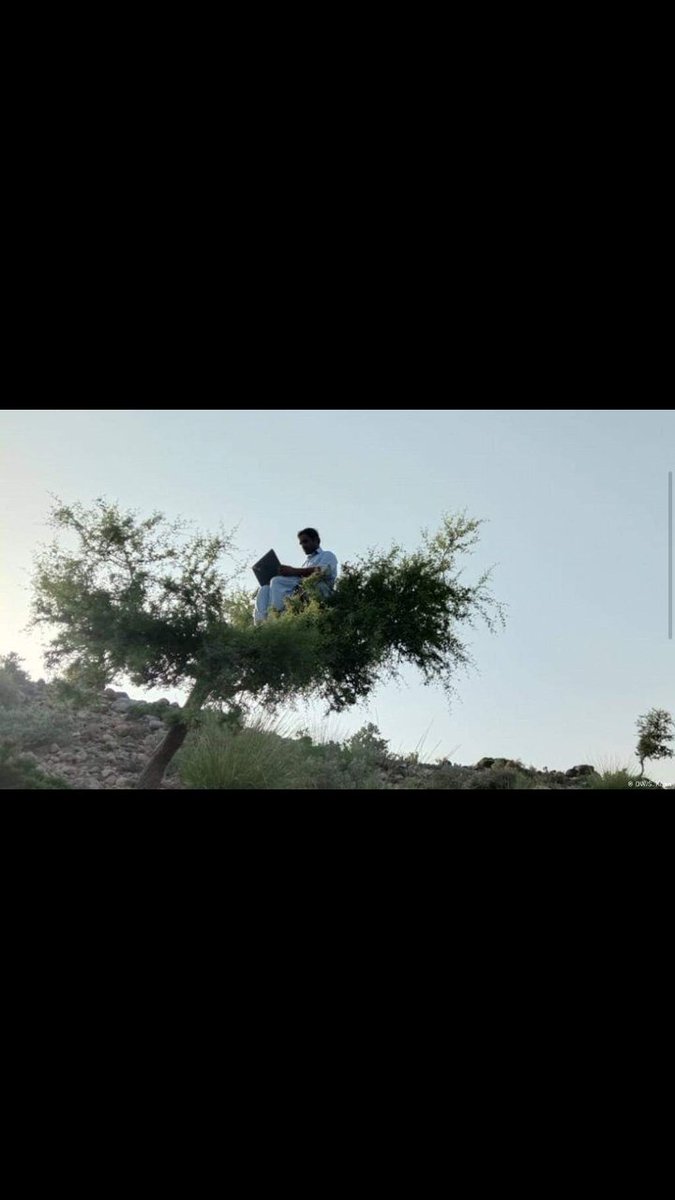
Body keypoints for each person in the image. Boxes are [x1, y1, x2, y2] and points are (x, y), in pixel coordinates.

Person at [254, 528, 338, 625]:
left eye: (305, 541)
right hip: (298, 589)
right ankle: (261, 623)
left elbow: (322, 571)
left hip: (318, 589)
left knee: (276, 581)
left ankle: (275, 616)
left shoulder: (327, 555)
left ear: (316, 540)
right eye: (301, 543)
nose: (303, 545)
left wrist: (293, 571)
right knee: (264, 588)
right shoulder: (307, 562)